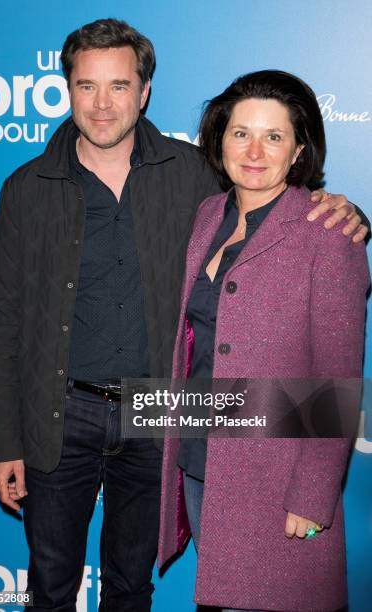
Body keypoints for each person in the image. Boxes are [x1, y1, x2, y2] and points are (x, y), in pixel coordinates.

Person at [0, 16, 366, 612]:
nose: (103, 104)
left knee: (133, 586)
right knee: (50, 585)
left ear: (145, 91)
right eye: (87, 86)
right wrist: (3, 439)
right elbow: (1, 323)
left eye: (119, 86)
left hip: (161, 413)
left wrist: (347, 211)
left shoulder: (195, 177)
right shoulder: (25, 188)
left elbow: (273, 189)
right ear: (67, 89)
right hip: (61, 413)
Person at [158, 70, 370, 612]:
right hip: (202, 464)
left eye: (274, 136)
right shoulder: (207, 215)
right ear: (219, 139)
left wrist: (313, 496)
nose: (254, 150)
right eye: (240, 133)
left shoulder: (329, 235)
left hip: (277, 481)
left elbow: (337, 378)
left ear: (299, 149)